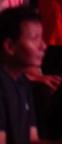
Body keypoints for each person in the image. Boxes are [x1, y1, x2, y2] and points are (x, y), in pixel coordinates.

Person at [0, 7, 45, 144]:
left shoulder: (22, 82)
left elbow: (32, 139)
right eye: (34, 38)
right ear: (10, 46)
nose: (43, 46)